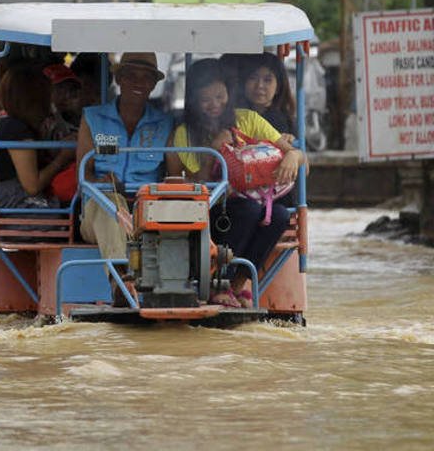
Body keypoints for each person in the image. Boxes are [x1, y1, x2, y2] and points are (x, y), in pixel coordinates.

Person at [166, 58, 305, 308]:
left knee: (280, 216)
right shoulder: (183, 134)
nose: (214, 105)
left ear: (230, 94)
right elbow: (192, 182)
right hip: (207, 211)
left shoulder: (247, 119)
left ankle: (237, 285)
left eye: (220, 96)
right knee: (249, 211)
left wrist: (293, 157)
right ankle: (218, 283)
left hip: (249, 205)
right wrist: (215, 148)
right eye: (205, 99)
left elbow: (294, 152)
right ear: (194, 101)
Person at [76, 52, 173, 262]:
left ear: (154, 84)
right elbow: (83, 176)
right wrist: (101, 185)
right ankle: (120, 281)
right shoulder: (93, 117)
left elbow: (174, 179)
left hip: (147, 211)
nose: (139, 82)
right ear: (119, 79)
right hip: (98, 213)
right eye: (131, 76)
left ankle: (121, 286)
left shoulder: (165, 123)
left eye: (146, 77)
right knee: (110, 202)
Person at [0, 64, 72, 211]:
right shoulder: (17, 131)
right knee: (75, 210)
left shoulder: (4, 124)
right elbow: (32, 186)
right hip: (15, 208)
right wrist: (63, 158)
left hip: (4, 202)